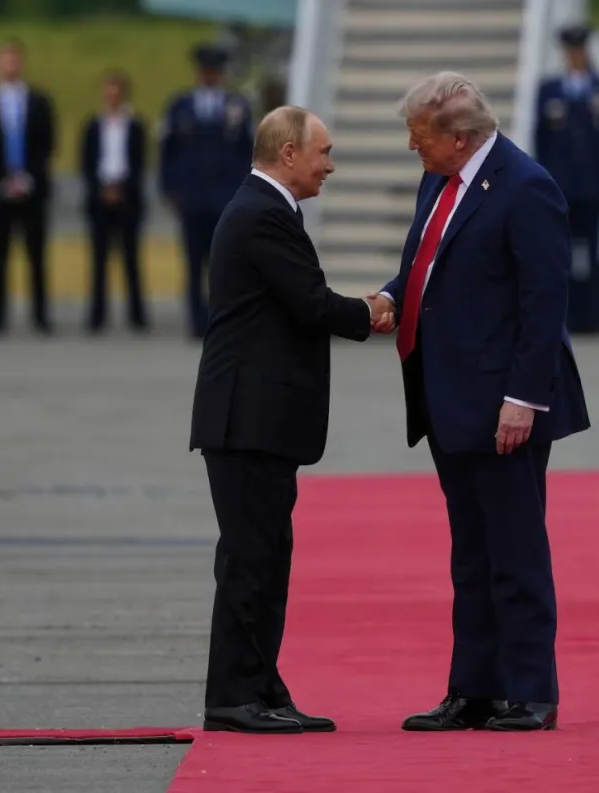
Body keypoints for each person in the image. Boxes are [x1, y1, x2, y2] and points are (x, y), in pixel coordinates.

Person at [367, 72, 590, 732]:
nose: (412, 147)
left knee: (515, 551)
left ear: (459, 138)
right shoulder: (440, 178)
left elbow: (543, 303)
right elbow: (427, 263)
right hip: (447, 395)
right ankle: (474, 688)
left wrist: (523, 399)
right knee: (470, 554)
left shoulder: (526, 188)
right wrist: (391, 295)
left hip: (503, 404)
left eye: (419, 136)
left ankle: (531, 691)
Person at [189, 105, 387, 734]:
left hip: (260, 421)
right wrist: (375, 310)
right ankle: (233, 696)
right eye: (323, 152)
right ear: (289, 153)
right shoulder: (262, 214)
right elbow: (310, 303)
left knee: (268, 557)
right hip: (246, 420)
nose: (330, 165)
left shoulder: (267, 209)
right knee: (250, 560)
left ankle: (261, 687)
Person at [159, 43, 254, 338]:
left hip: (225, 197)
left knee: (224, 263)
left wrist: (245, 191)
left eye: (214, 70)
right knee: (193, 262)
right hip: (193, 196)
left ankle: (222, 319)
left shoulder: (237, 106)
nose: (209, 75)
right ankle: (196, 321)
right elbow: (167, 151)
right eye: (205, 70)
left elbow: (248, 152)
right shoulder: (180, 106)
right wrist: (169, 188)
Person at [533, 24, 599, 333]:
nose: (576, 56)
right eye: (571, 51)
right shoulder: (550, 90)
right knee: (562, 253)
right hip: (562, 185)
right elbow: (542, 140)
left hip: (593, 184)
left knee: (593, 252)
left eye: (580, 51)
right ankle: (566, 316)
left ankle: (593, 315)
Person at [0, 38, 56, 336]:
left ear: (22, 63)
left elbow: (47, 144)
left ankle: (40, 315)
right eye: (5, 60)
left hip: (32, 189)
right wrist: (3, 180)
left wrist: (28, 178)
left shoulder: (39, 102)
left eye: (15, 59)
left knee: (36, 256)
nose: (10, 65)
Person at [79, 69, 149, 334]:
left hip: (127, 197)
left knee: (131, 259)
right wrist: (101, 188)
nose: (112, 97)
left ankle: (137, 315)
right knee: (99, 260)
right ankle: (97, 316)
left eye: (116, 93)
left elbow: (139, 163)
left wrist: (122, 188)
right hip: (100, 196)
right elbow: (86, 163)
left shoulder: (135, 126)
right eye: (108, 93)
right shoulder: (93, 126)